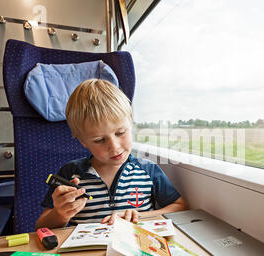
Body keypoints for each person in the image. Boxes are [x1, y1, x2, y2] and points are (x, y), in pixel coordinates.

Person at [35, 79, 188, 229]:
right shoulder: (70, 173)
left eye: (120, 132)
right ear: (83, 141)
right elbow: (41, 226)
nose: (114, 147)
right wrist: (61, 214)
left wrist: (141, 216)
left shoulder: (148, 170)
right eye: (99, 140)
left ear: (131, 125)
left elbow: (180, 207)